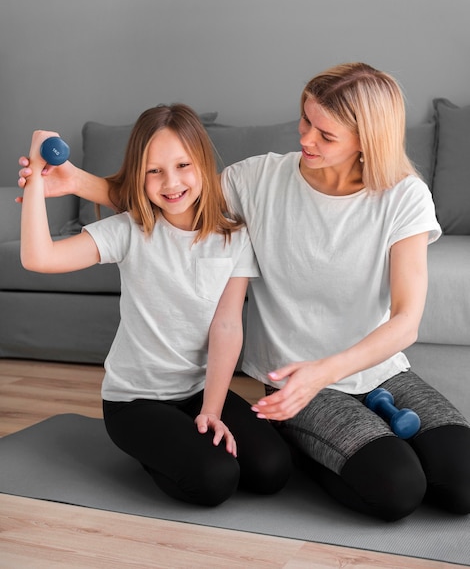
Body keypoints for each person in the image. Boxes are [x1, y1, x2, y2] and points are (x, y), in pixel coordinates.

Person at [18, 64, 470, 522]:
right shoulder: (257, 181)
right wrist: (76, 182)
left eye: (326, 135)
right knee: (398, 490)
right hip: (296, 380)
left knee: (463, 484)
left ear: (366, 141)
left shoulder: (403, 196)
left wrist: (324, 372)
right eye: (305, 120)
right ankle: (313, 443)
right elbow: (174, 199)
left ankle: (363, 433)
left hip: (377, 369)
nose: (307, 139)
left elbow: (406, 321)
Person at [19, 103, 291, 507]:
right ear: (138, 176)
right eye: (154, 171)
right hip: (135, 402)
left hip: (197, 392)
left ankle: (185, 436)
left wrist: (212, 410)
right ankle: (152, 452)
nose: (171, 182)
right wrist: (36, 185)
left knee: (272, 469)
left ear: (202, 162)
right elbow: (39, 259)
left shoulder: (233, 234)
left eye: (183, 165)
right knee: (215, 481)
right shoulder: (129, 230)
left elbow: (227, 326)